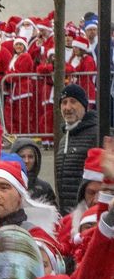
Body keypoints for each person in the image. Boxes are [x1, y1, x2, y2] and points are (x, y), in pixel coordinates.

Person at [56, 83, 99, 211]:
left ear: (85, 106)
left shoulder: (97, 134)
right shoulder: (64, 139)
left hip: (88, 215)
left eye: (73, 102)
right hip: (68, 216)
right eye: (64, 103)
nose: (68, 107)